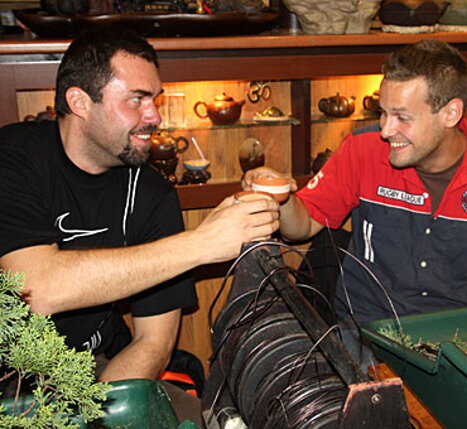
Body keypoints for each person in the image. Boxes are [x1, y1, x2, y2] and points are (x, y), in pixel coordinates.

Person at [0, 24, 279, 395]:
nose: (155, 117)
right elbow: (37, 290)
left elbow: (154, 342)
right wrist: (202, 244)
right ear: (80, 102)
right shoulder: (12, 161)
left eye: (156, 100)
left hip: (93, 368)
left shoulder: (152, 193)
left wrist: (97, 410)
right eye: (137, 99)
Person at [243, 40, 467, 364]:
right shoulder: (362, 150)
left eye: (402, 117)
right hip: (365, 334)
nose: (386, 130)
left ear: (451, 113)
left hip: (462, 344)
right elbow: (303, 225)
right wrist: (281, 197)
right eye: (383, 113)